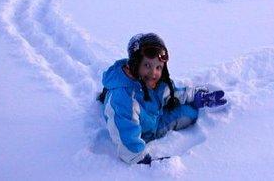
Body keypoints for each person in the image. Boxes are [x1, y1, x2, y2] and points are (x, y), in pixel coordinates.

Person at [97, 33, 226, 165]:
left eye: (158, 67)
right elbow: (125, 134)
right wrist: (138, 159)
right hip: (142, 131)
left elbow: (172, 92)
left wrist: (196, 97)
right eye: (147, 65)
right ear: (135, 63)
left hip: (153, 117)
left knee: (190, 113)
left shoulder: (153, 81)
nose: (153, 73)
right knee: (186, 116)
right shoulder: (123, 99)